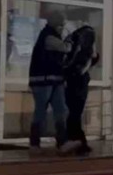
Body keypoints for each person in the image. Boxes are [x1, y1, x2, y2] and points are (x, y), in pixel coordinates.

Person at [28, 11, 79, 155]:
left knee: (61, 110)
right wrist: (71, 39)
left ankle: (62, 142)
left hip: (55, 79)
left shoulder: (51, 35)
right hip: (43, 81)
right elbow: (65, 48)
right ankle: (34, 143)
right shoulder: (48, 36)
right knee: (40, 111)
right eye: (61, 25)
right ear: (55, 24)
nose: (62, 28)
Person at [64, 25, 99, 155]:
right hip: (78, 84)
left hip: (74, 84)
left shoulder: (76, 49)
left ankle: (76, 141)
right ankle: (77, 141)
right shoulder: (83, 54)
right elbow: (83, 67)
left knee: (73, 113)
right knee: (75, 113)